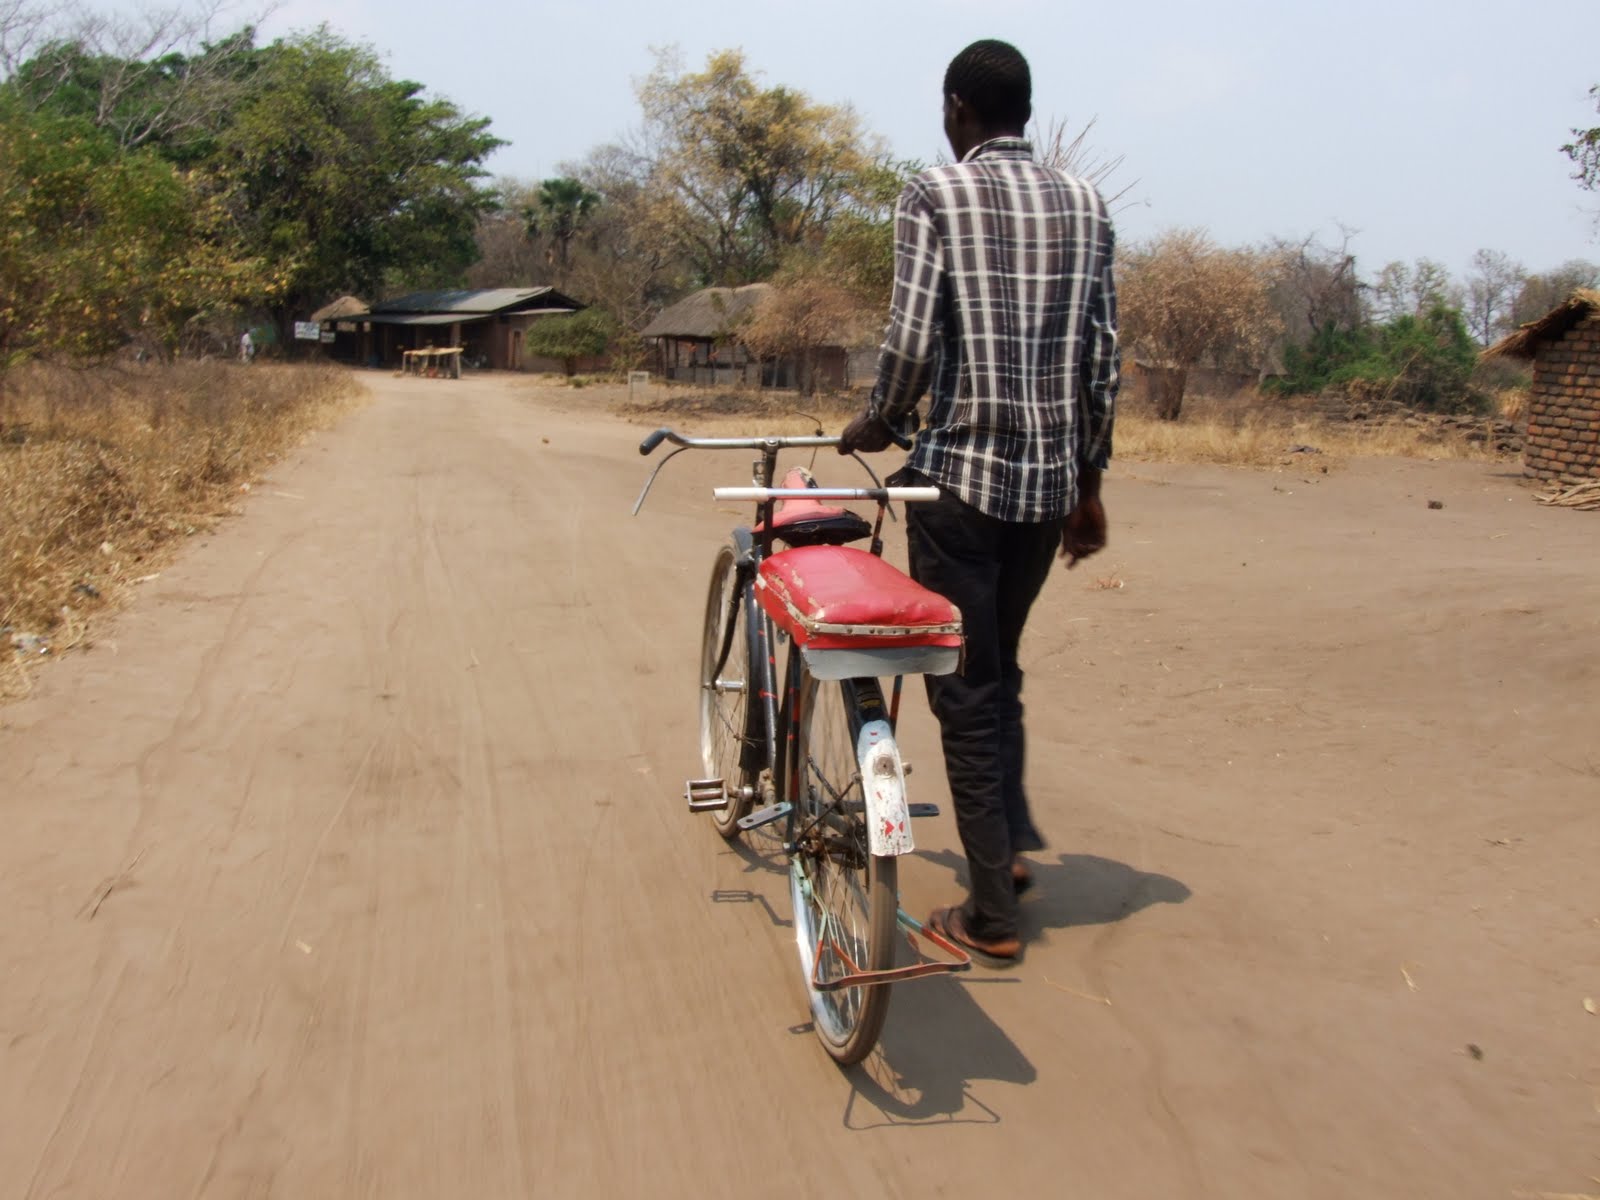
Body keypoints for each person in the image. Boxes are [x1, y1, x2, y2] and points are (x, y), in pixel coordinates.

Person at [838, 38, 1119, 966]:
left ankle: (993, 912)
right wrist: (1089, 483)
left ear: (959, 109)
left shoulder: (935, 192)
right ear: (1025, 111)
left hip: (959, 478)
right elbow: (1101, 361)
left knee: (965, 687)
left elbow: (912, 332)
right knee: (999, 666)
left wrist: (881, 417)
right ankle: (1008, 851)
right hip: (1044, 491)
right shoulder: (1086, 202)